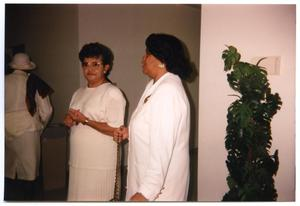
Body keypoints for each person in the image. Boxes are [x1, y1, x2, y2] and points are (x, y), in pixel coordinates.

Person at [114, 33, 192, 201]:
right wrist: (131, 131)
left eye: (148, 53)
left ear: (162, 60)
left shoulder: (168, 92)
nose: (143, 58)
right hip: (147, 180)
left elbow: (162, 151)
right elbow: (155, 126)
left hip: (159, 191)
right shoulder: (155, 85)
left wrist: (144, 194)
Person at [64, 42, 126, 201]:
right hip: (79, 160)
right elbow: (72, 119)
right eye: (85, 65)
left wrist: (85, 120)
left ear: (106, 67)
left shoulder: (113, 92)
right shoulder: (78, 92)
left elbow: (115, 130)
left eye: (95, 64)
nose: (89, 69)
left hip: (100, 162)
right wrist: (69, 120)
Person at [5, 53, 53, 200]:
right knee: (30, 170)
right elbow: (47, 110)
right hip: (28, 128)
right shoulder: (34, 81)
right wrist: (41, 125)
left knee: (9, 166)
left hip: (5, 128)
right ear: (28, 67)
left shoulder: (3, 81)